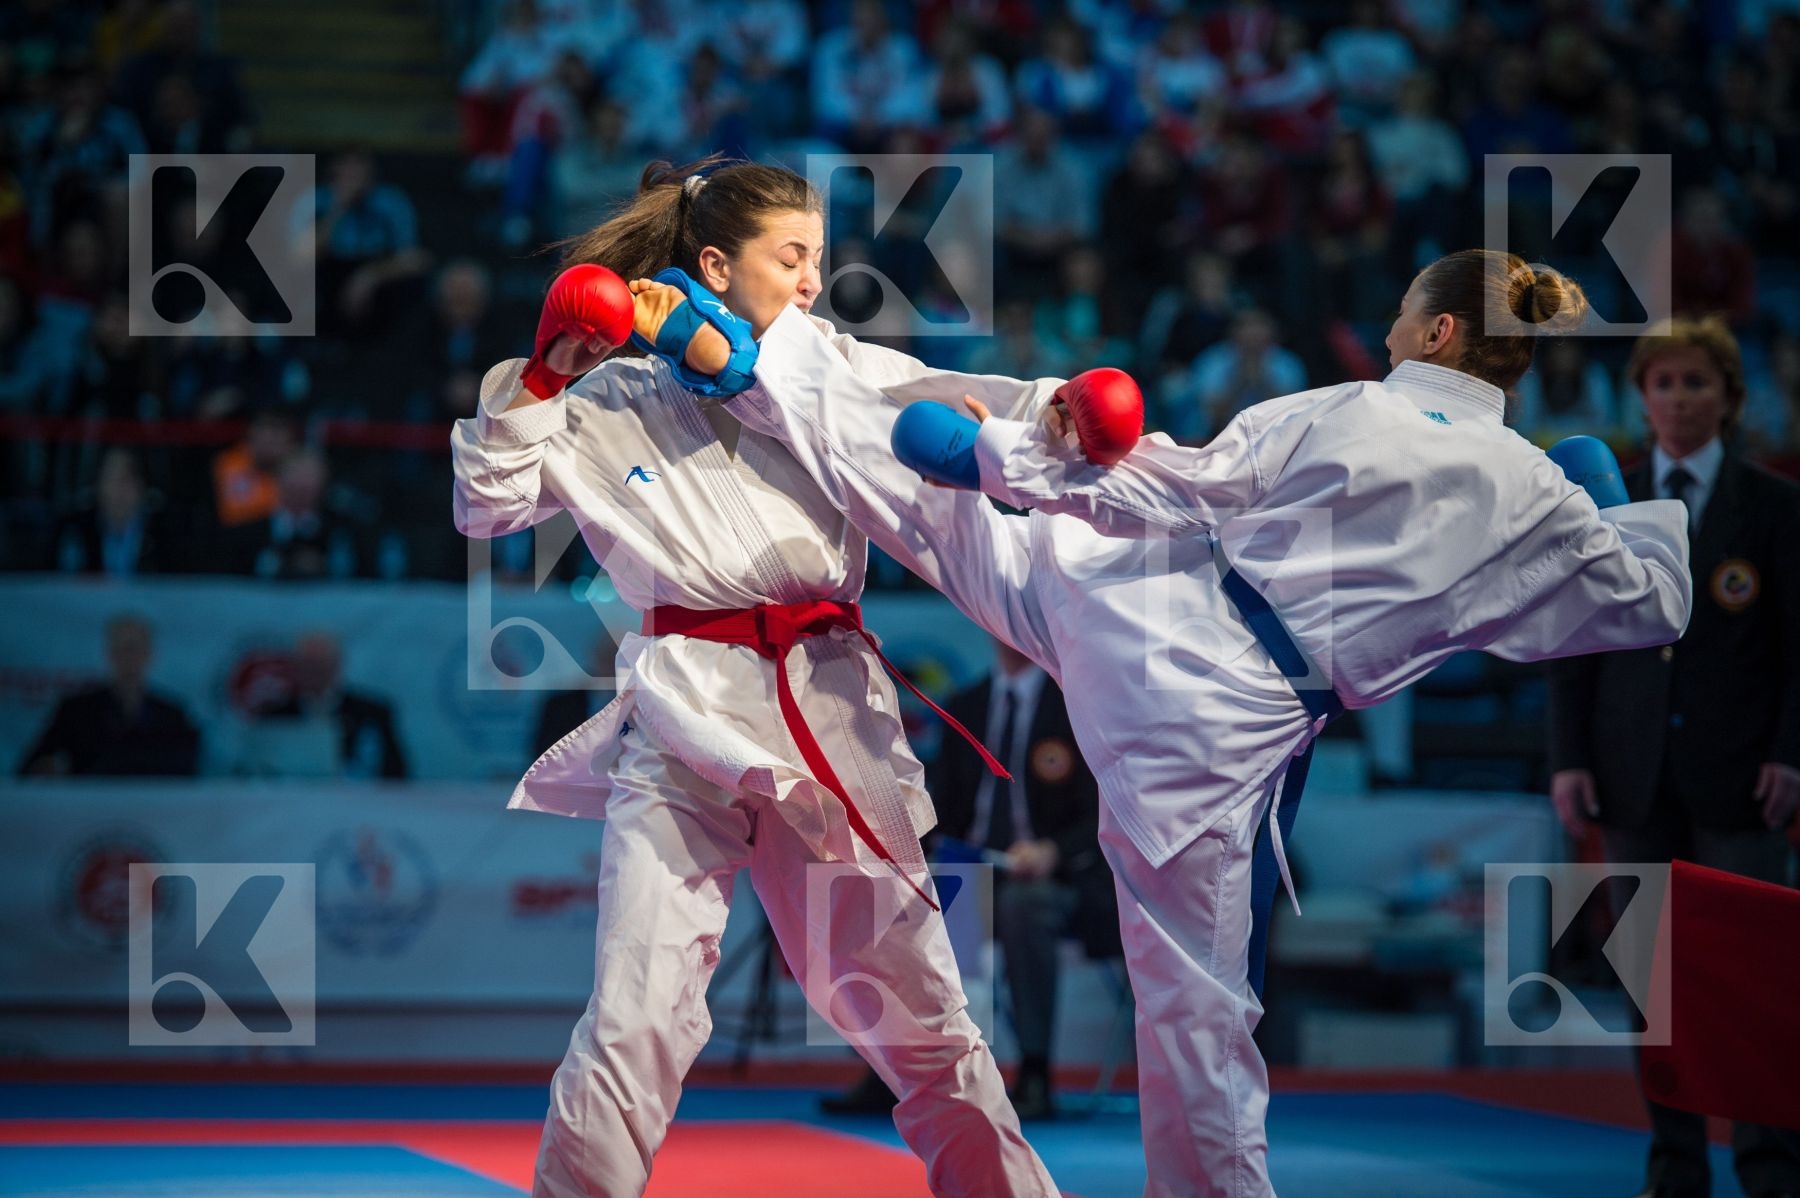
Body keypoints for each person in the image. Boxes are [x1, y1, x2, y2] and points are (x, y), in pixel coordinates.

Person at [707, 248, 1691, 1196]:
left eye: (1399, 314)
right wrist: (1607, 506)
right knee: (1196, 1010)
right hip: (1216, 722)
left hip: (1131, 607)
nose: (1384, 328)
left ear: (1435, 330)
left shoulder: (1350, 407)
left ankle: (760, 362)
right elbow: (1654, 606)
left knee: (950, 502)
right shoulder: (1532, 490)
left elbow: (1176, 482)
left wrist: (1009, 462)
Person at [451, 158, 1059, 1198]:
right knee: (638, 1013)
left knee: (922, 1023)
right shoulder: (611, 394)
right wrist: (546, 373)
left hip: (829, 711)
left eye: (819, 258)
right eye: (793, 258)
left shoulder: (826, 369)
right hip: (684, 713)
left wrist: (1057, 414)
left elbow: (954, 403)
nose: (815, 281)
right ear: (717, 265)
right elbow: (485, 507)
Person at [1547, 315, 1800, 1198]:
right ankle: (1676, 1168)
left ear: (1729, 400)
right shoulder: (1605, 501)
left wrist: (1791, 755)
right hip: (1630, 767)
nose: (1680, 398)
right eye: (1665, 383)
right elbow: (1575, 636)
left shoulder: (1774, 507)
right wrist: (1569, 757)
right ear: (1641, 396)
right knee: (1652, 982)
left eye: (1698, 384)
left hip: (1744, 776)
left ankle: (1771, 1169)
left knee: (1756, 981)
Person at [825, 634, 1115, 1122]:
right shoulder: (969, 703)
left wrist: (1051, 851)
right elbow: (942, 803)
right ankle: (890, 1070)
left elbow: (1105, 809)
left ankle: (1036, 1073)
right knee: (890, 892)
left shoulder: (1075, 706)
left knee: (1023, 906)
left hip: (1053, 879)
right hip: (972, 867)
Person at [18, 613, 200, 777]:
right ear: (108, 654)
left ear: (150, 654)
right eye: (119, 649)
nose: (128, 657)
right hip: (86, 809)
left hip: (156, 809)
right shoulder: (76, 711)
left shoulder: (172, 715)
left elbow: (185, 770)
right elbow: (34, 764)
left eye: (134, 648)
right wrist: (47, 767)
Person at [252, 631, 409, 781]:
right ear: (296, 666)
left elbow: (395, 772)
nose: (315, 671)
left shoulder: (373, 712)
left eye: (321, 664)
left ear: (337, 665)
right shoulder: (274, 716)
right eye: (308, 664)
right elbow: (259, 772)